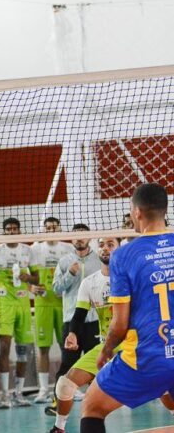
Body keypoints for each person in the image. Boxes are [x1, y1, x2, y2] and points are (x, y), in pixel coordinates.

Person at [80, 184, 174, 432]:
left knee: (92, 407)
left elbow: (120, 324)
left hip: (147, 358)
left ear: (137, 212)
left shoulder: (123, 255)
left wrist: (106, 349)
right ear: (164, 211)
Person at [49, 237, 119, 432]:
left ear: (120, 247)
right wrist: (72, 334)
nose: (105, 248)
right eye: (102, 244)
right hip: (106, 347)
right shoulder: (90, 283)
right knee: (64, 384)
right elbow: (79, 315)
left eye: (111, 244)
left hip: (133, 346)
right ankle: (59, 428)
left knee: (165, 388)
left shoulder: (130, 277)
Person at [47, 223, 101, 414]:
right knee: (67, 364)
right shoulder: (64, 262)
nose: (79, 239)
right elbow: (55, 289)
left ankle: (98, 402)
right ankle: (57, 403)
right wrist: (70, 274)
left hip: (95, 321)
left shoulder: (99, 260)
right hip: (72, 322)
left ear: (90, 238)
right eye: (76, 236)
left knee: (98, 364)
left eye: (83, 235)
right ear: (72, 239)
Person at [0, 217, 35, 408]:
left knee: (23, 352)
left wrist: (27, 276)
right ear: (4, 231)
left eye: (15, 229)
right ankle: (5, 395)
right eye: (8, 229)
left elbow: (37, 278)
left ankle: (18, 393)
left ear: (19, 231)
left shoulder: (27, 251)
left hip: (23, 305)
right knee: (5, 347)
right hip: (4, 306)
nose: (12, 231)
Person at [30, 217, 74, 403]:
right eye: (47, 228)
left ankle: (70, 387)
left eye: (54, 227)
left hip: (63, 304)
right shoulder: (35, 249)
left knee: (68, 348)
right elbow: (28, 276)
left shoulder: (68, 249)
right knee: (43, 348)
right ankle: (43, 389)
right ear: (44, 229)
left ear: (60, 228)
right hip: (42, 304)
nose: (51, 230)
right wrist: (31, 288)